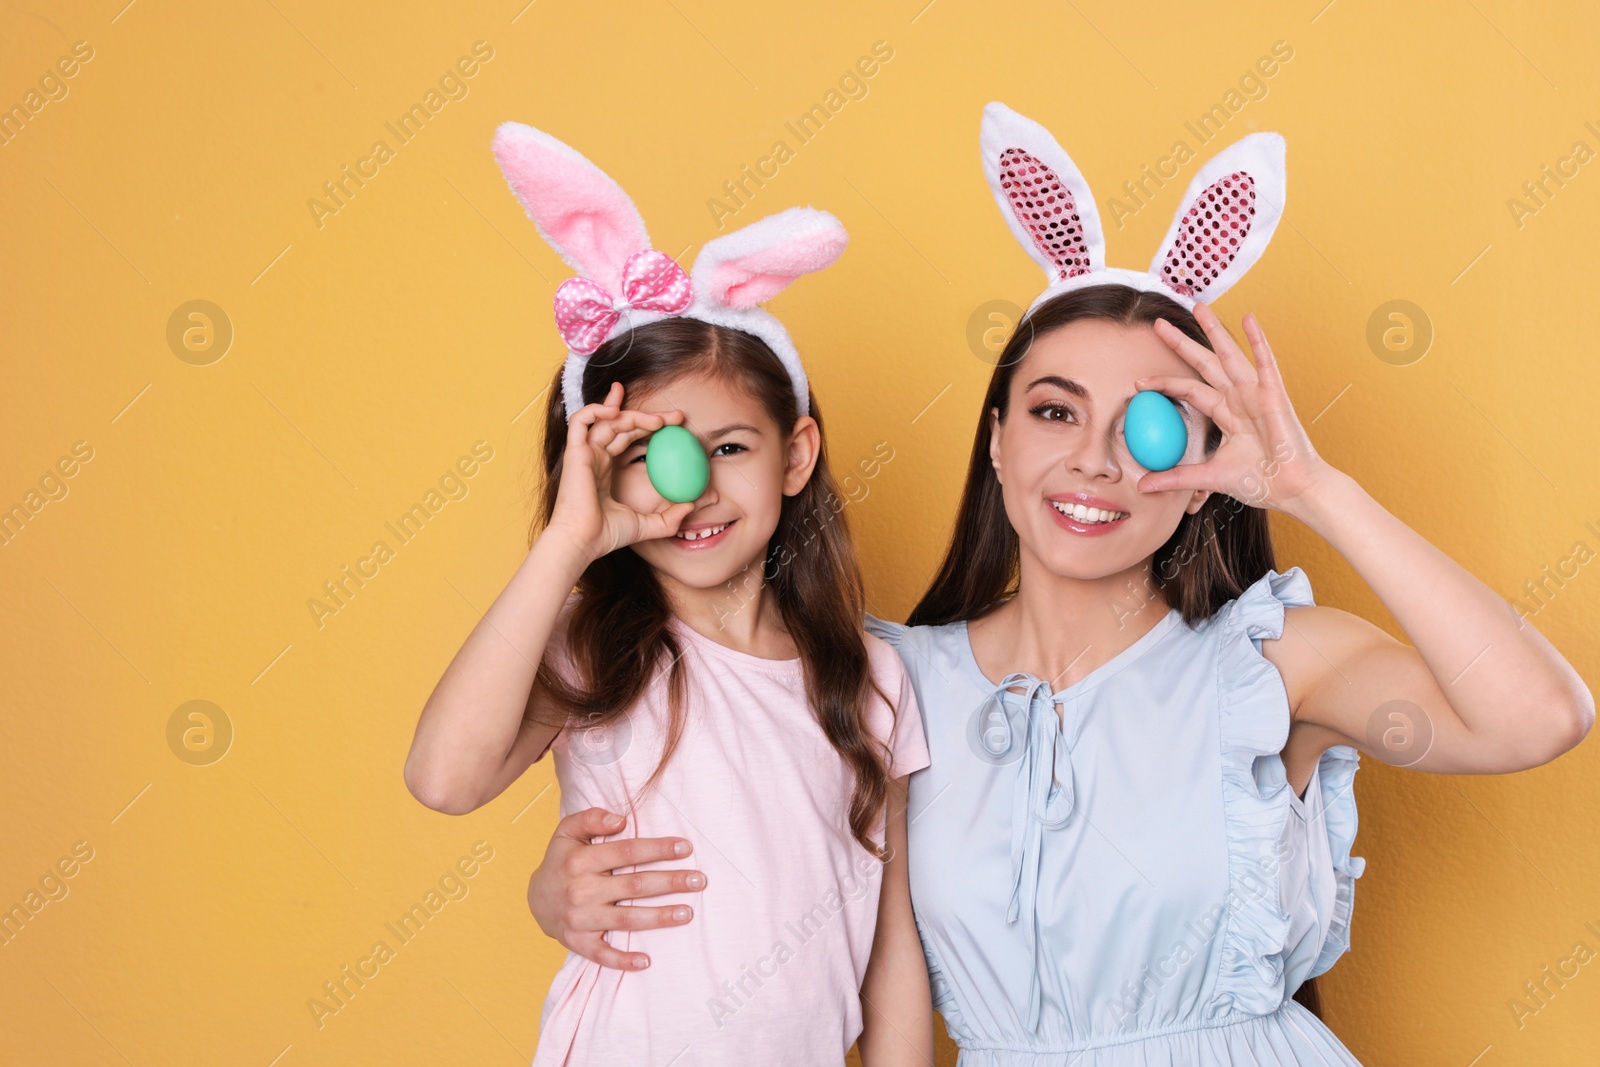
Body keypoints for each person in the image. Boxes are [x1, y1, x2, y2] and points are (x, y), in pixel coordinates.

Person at [521, 104, 1593, 1064]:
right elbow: (757, 870)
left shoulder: (1270, 664)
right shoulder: (886, 677)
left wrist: (1313, 487)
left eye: (1153, 422)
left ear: (1206, 466)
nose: (1097, 458)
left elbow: (1537, 717)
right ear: (996, 440)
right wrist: (555, 893)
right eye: (1053, 409)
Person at [403, 122, 932, 1066]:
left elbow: (893, 947)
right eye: (647, 457)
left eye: (728, 449)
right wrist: (568, 541)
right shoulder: (598, 646)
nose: (688, 490)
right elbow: (443, 780)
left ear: (796, 454)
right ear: (596, 470)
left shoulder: (874, 674)